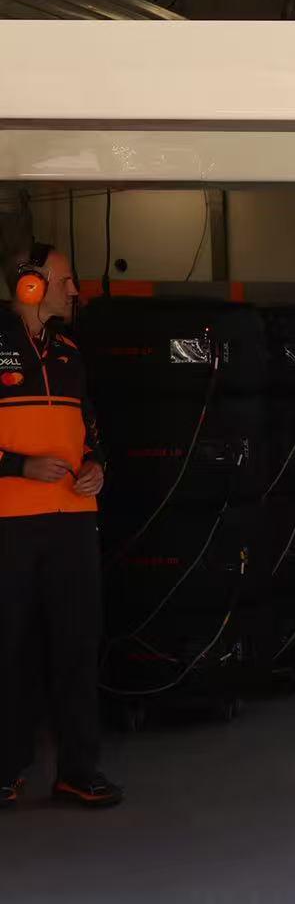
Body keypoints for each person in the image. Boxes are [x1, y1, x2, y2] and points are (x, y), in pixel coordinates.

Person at [0, 243, 119, 810]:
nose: (75, 291)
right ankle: (5, 769)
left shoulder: (70, 350)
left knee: (77, 644)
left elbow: (88, 425)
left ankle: (78, 770)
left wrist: (96, 465)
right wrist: (17, 466)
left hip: (73, 521)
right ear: (31, 284)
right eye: (66, 281)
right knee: (8, 647)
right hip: (9, 523)